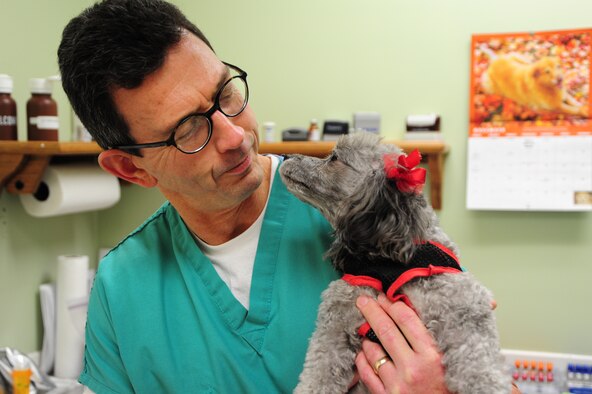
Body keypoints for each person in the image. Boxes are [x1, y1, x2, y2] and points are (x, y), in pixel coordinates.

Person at [58, 1, 507, 393]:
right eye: (189, 128)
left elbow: (480, 364)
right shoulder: (121, 287)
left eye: (226, 93)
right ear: (131, 168)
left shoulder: (363, 218)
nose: (235, 136)